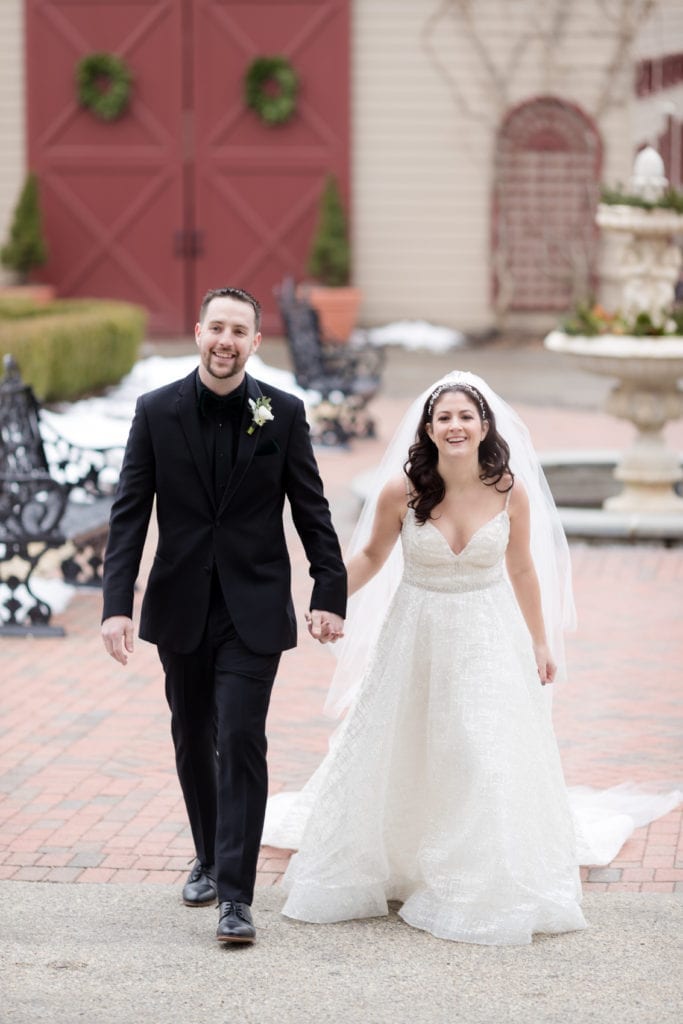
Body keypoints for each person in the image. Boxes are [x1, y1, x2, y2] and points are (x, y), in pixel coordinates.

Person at [266, 371, 588, 946]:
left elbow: (521, 569)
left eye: (467, 416)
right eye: (445, 418)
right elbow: (368, 554)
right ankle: (400, 859)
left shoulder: (511, 489)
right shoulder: (403, 490)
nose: (456, 426)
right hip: (417, 631)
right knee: (410, 743)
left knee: (479, 748)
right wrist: (327, 600)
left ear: (484, 426)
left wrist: (540, 640)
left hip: (489, 633)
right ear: (430, 428)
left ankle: (475, 873)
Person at [101, 285, 346, 946]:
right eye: (217, 327)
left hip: (254, 606)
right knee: (192, 735)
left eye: (240, 331)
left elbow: (311, 510)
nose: (225, 340)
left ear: (255, 343)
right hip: (180, 606)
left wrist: (329, 588)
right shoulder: (155, 412)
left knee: (239, 737)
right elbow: (129, 514)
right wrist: (115, 606)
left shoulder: (283, 414)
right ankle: (208, 857)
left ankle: (235, 898)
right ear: (199, 329)